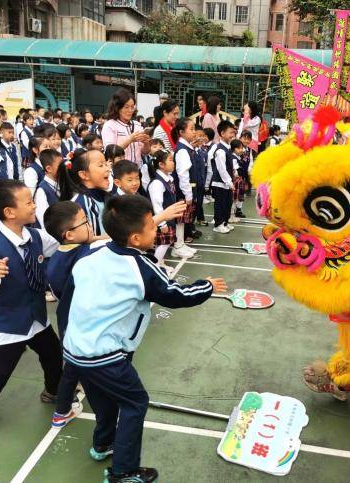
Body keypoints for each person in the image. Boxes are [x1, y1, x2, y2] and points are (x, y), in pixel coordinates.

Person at [63, 194, 227, 483]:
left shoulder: (94, 253)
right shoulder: (139, 266)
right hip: (106, 354)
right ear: (137, 238)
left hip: (76, 349)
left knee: (104, 401)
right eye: (153, 226)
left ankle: (103, 444)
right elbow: (175, 295)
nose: (157, 230)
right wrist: (207, 286)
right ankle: (123, 472)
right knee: (135, 402)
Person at [0, 180, 62, 438]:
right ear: (9, 212)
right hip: (9, 323)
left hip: (36, 317)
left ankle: (52, 391)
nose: (34, 206)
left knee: (53, 355)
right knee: (0, 371)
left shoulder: (34, 235)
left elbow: (59, 243)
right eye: (29, 202)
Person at [44, 201, 103, 430]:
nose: (90, 226)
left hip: (68, 318)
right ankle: (65, 409)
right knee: (78, 366)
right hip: (82, 321)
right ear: (69, 234)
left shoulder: (59, 257)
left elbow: (97, 240)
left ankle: (64, 408)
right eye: (85, 222)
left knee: (72, 364)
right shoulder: (84, 255)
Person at [63, 149, 111, 237]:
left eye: (106, 164)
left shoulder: (104, 195)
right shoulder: (81, 203)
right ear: (84, 175)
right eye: (101, 165)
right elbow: (91, 239)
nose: (108, 169)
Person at [171, 118, 198, 258]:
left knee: (183, 220)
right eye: (191, 129)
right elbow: (183, 174)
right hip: (183, 191)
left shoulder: (187, 147)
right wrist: (188, 194)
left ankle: (180, 243)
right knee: (179, 219)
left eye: (194, 129)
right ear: (181, 132)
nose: (194, 132)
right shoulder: (182, 150)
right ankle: (177, 246)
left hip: (187, 190)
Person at [101, 88, 149, 166]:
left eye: (132, 107)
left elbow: (144, 152)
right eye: (126, 107)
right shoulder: (110, 125)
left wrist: (146, 143)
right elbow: (110, 153)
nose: (130, 110)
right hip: (120, 170)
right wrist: (129, 140)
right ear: (117, 107)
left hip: (137, 169)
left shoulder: (137, 125)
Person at [147, 150, 177, 271]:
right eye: (170, 160)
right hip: (161, 219)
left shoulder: (168, 178)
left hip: (167, 217)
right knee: (164, 243)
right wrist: (162, 223)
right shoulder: (157, 183)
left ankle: (160, 263)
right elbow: (157, 205)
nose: (173, 163)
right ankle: (157, 266)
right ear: (161, 164)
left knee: (165, 242)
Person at [211, 120, 236, 233]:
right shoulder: (220, 150)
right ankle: (218, 224)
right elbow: (221, 169)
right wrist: (229, 182)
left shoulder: (227, 148)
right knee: (220, 204)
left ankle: (225, 222)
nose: (232, 135)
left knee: (227, 203)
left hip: (226, 183)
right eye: (230, 133)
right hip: (220, 183)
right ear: (222, 133)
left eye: (233, 133)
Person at [33, 149, 62, 229]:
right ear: (49, 169)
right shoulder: (42, 191)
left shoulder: (61, 183)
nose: (63, 168)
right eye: (60, 165)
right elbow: (44, 221)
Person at [228, 139, 246, 223]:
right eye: (239, 148)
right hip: (235, 181)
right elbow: (235, 172)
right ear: (234, 149)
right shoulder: (233, 158)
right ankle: (231, 216)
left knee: (235, 200)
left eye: (242, 148)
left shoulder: (238, 157)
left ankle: (233, 215)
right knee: (233, 200)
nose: (241, 150)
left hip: (238, 181)